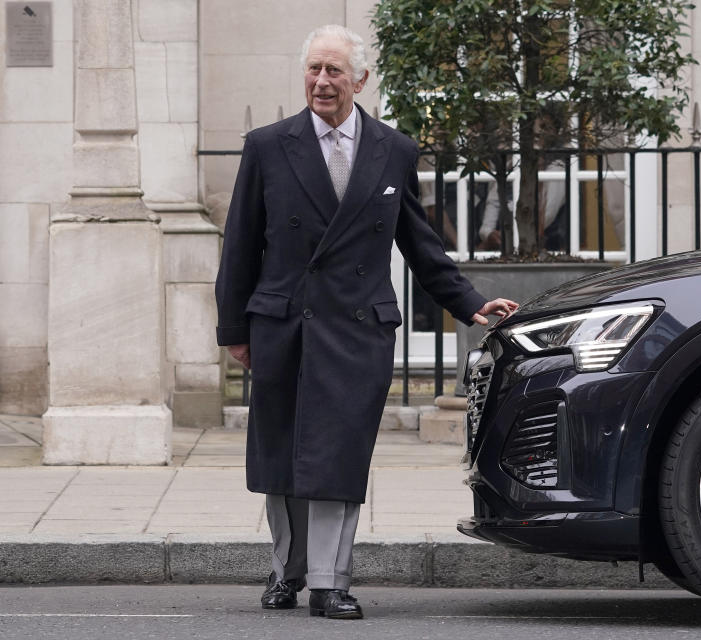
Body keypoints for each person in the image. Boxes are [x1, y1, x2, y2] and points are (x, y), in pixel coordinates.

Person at [214, 24, 518, 620]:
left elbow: (419, 241)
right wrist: (234, 330)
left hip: (356, 328)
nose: (321, 82)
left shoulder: (393, 149)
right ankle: (288, 569)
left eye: (333, 72)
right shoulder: (268, 146)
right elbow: (241, 244)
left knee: (338, 453)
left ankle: (331, 581)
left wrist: (470, 303)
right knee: (282, 455)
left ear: (360, 80)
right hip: (283, 324)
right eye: (313, 71)